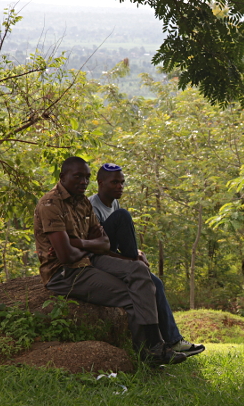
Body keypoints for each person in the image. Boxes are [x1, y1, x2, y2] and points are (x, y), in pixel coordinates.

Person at [33, 156, 186, 365]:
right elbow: (66, 257)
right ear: (62, 177)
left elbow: (104, 243)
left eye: (87, 177)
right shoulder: (51, 203)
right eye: (77, 176)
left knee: (139, 271)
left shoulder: (83, 202)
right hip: (65, 273)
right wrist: (87, 244)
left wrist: (78, 243)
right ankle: (152, 348)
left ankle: (155, 346)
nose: (83, 182)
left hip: (89, 260)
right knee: (133, 295)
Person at [89, 163, 205, 357]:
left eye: (122, 183)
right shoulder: (92, 207)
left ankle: (173, 340)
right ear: (100, 183)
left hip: (114, 254)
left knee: (156, 283)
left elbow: (114, 243)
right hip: (100, 259)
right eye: (115, 182)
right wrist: (132, 259)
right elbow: (99, 248)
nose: (120, 187)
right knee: (123, 216)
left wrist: (136, 254)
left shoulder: (113, 203)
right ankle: (156, 344)